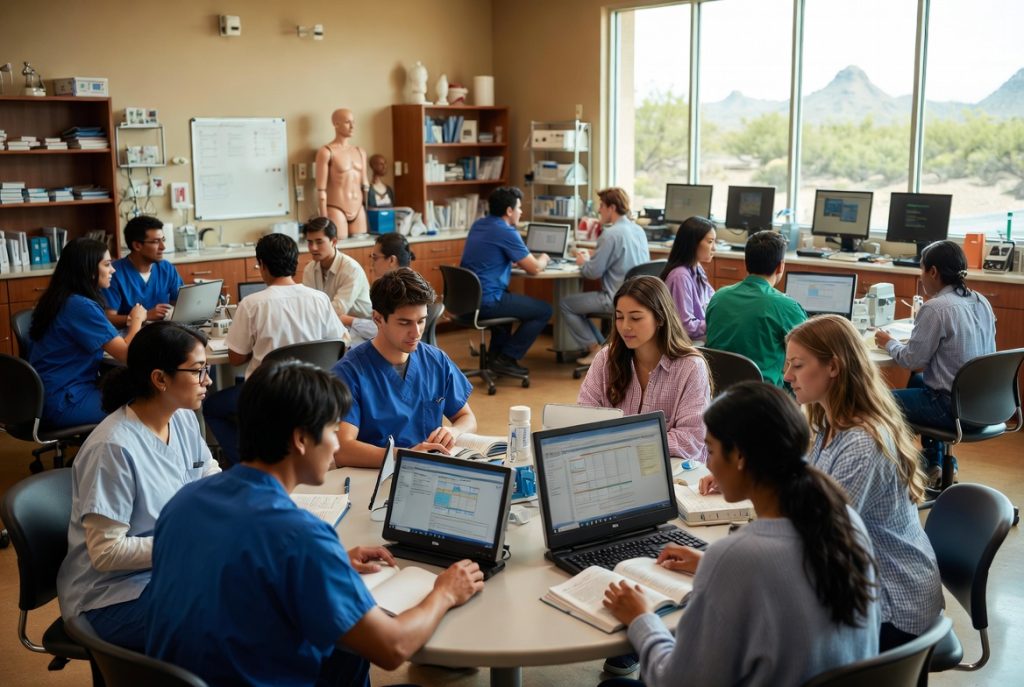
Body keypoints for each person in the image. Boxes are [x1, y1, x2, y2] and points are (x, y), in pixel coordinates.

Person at [145, 360, 484, 686]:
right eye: (333, 431)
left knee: (345, 655)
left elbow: (238, 567)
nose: (336, 445)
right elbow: (393, 647)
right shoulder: (301, 536)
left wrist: (330, 564)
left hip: (187, 676)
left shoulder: (183, 502)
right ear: (301, 439)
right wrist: (445, 593)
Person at [600, 382, 880, 687]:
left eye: (711, 450)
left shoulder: (738, 557)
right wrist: (709, 564)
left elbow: (676, 682)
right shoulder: (845, 520)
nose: (708, 463)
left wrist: (641, 618)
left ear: (740, 457)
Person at [56, 322, 219, 650]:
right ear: (160, 379)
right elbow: (107, 553)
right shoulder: (113, 447)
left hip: (168, 571)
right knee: (225, 621)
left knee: (253, 591)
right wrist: (187, 542)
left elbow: (209, 476)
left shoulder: (182, 417)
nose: (208, 380)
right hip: (111, 596)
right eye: (198, 371)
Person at [785, 314, 943, 651]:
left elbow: (817, 533)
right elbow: (807, 486)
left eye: (797, 365)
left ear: (833, 367)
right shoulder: (829, 423)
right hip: (869, 583)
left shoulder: (861, 441)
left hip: (894, 604)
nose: (787, 376)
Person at [203, 233, 345, 466]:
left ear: (262, 265)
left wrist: (257, 347)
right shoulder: (319, 299)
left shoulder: (252, 303)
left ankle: (247, 464)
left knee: (212, 407)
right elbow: (338, 343)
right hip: (313, 392)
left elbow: (236, 358)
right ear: (296, 262)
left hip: (268, 396)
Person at [875, 240, 996, 486]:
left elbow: (912, 359)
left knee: (876, 400)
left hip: (953, 408)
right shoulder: (981, 300)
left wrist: (888, 343)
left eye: (921, 269)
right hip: (986, 404)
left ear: (933, 271)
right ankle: (936, 464)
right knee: (918, 382)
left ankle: (891, 473)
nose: (921, 277)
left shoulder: (936, 308)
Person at [333, 268, 476, 468]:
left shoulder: (436, 360)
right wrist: (405, 456)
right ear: (378, 319)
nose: (416, 333)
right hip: (375, 475)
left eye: (421, 321)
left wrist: (454, 431)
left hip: (428, 471)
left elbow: (466, 418)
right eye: (404, 323)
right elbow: (343, 450)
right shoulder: (348, 373)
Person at [578, 276, 710, 462]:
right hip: (617, 462)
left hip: (674, 466)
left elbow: (690, 439)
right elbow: (584, 415)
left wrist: (624, 444)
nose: (625, 326)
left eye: (636, 318)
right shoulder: (606, 358)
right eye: (619, 317)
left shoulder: (690, 367)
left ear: (660, 318)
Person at [29, 238, 147, 427]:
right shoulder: (80, 306)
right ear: (89, 270)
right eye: (107, 264)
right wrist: (137, 320)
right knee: (149, 400)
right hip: (65, 400)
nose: (113, 270)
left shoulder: (60, 297)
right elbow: (127, 354)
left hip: (48, 394)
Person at [460, 186, 553, 376]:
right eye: (519, 208)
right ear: (509, 211)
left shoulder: (479, 224)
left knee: (508, 302)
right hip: (487, 301)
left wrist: (512, 260)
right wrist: (544, 258)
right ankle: (507, 357)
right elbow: (535, 268)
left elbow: (489, 254)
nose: (521, 212)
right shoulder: (506, 232)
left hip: (467, 301)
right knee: (544, 310)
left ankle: (495, 359)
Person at [705, 230, 806, 386]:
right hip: (764, 395)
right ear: (780, 266)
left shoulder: (718, 297)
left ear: (746, 264)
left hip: (717, 392)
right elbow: (808, 353)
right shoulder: (787, 307)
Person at [562, 187, 649, 365]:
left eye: (601, 205)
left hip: (615, 299)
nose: (599, 209)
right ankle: (605, 349)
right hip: (640, 297)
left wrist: (583, 262)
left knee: (566, 304)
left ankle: (595, 349)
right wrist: (596, 255)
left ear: (612, 208)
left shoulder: (610, 234)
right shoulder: (638, 230)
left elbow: (592, 272)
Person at [103, 215, 183, 326]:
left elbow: (180, 305)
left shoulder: (167, 268)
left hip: (163, 329)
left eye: (163, 240)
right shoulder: (112, 273)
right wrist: (144, 316)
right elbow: (108, 318)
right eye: (156, 241)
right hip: (130, 333)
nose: (163, 247)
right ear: (137, 245)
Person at [348, 232, 418, 346]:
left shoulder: (402, 290)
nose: (372, 263)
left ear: (392, 260)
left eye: (375, 258)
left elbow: (382, 329)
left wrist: (349, 320)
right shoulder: (395, 283)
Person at [301, 216, 373, 328]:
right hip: (330, 323)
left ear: (334, 242)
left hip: (360, 328)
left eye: (319, 242)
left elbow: (338, 309)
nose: (313, 248)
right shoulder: (309, 269)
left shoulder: (351, 269)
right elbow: (307, 304)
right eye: (310, 242)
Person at [660, 216, 716, 342]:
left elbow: (712, 300)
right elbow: (686, 327)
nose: (714, 248)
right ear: (693, 243)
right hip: (687, 342)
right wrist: (715, 323)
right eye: (710, 242)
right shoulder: (680, 276)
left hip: (700, 335)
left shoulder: (697, 267)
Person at [315, 108, 369, 238]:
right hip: (336, 208)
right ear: (336, 124)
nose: (352, 126)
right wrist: (324, 219)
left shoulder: (360, 152)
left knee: (362, 245)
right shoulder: (326, 152)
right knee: (338, 244)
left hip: (358, 209)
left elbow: (365, 186)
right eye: (347, 122)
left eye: (353, 122)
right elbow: (321, 190)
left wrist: (367, 210)